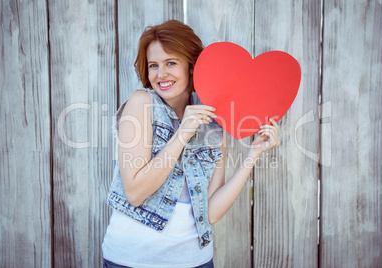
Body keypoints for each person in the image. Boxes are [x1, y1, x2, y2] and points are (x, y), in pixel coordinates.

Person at [102, 20, 280, 268]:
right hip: (132, 260)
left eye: (171, 63)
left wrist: (253, 154)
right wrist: (182, 135)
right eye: (154, 65)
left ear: (191, 66)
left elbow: (210, 212)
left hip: (195, 261)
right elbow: (135, 193)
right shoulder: (141, 103)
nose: (160, 74)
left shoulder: (215, 120)